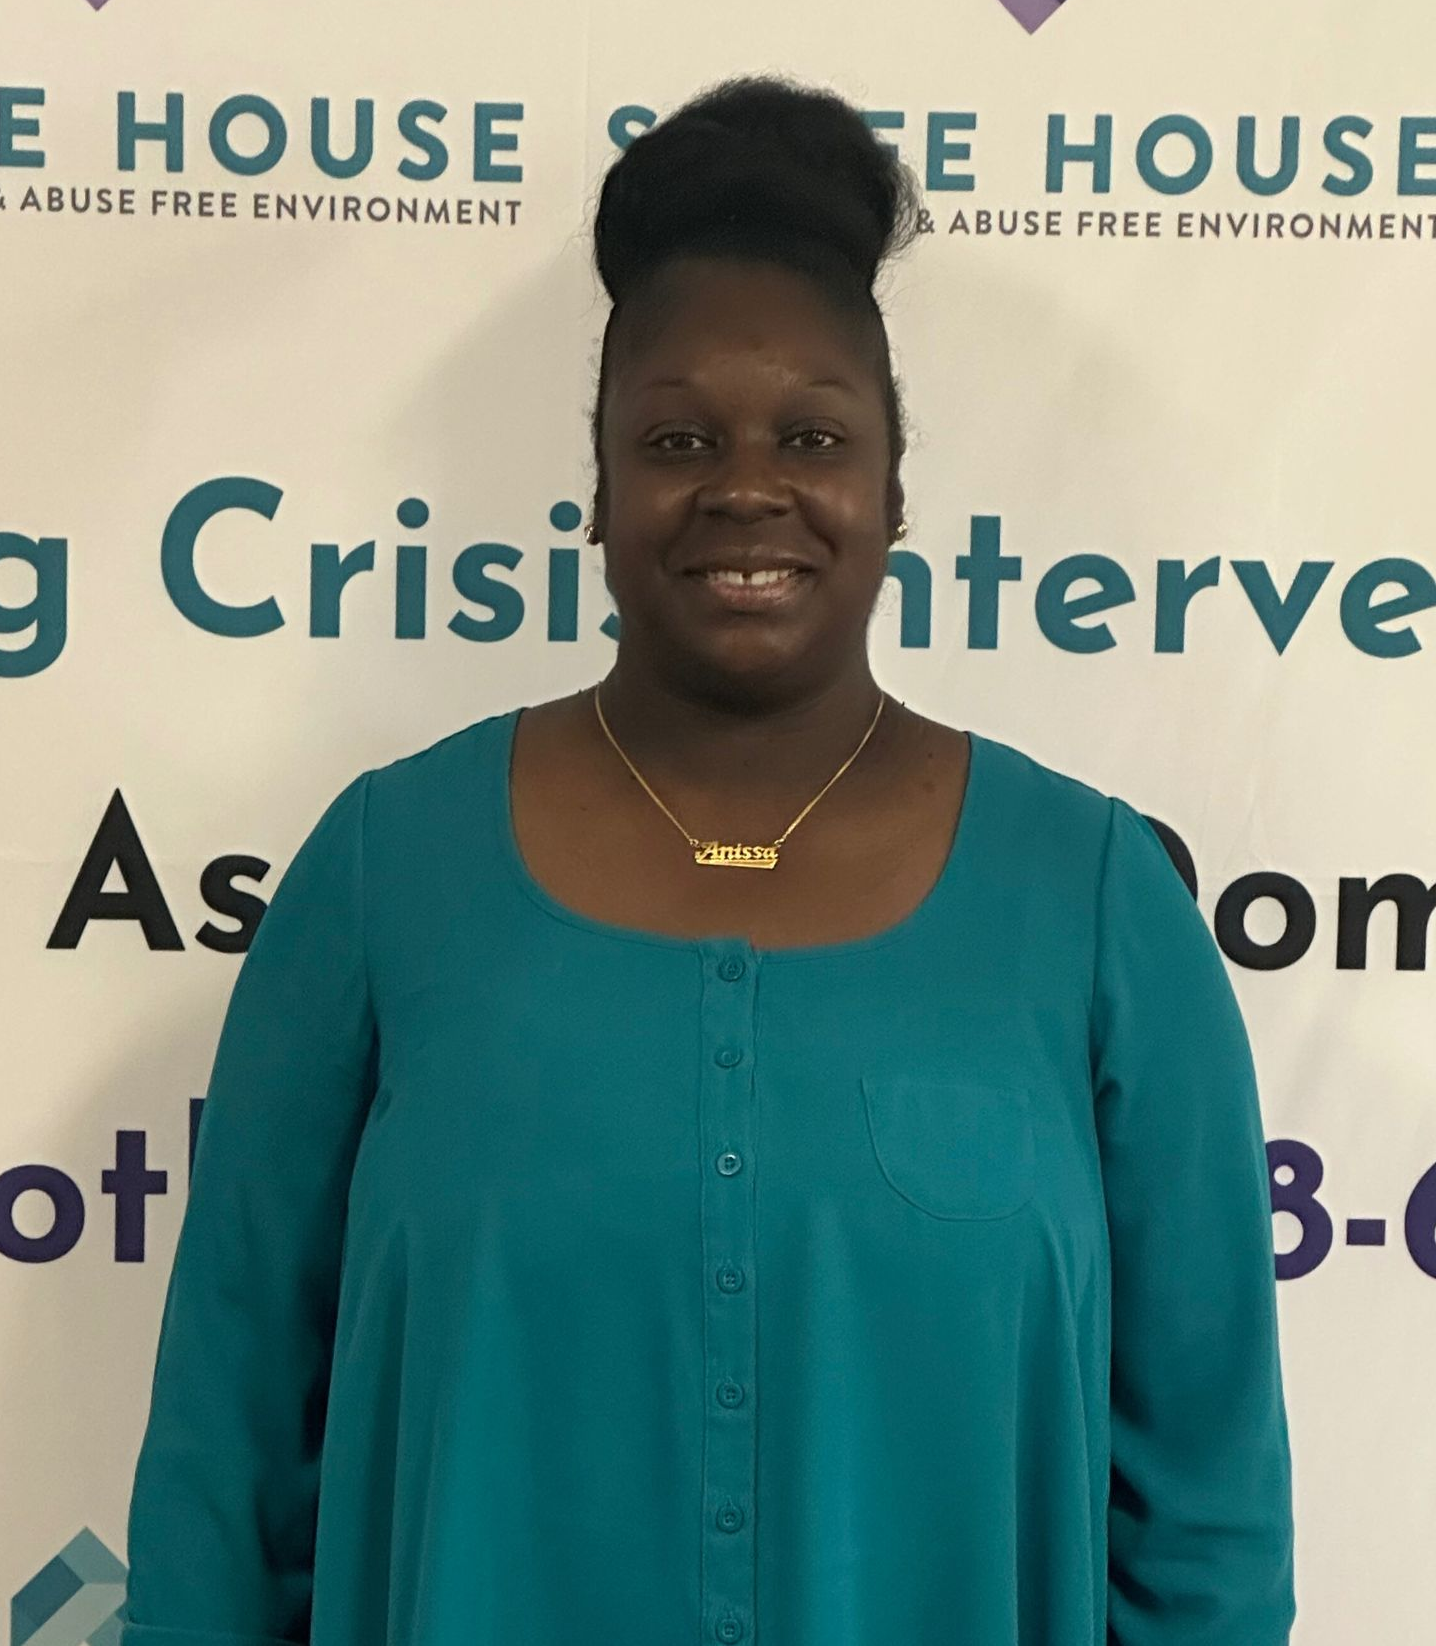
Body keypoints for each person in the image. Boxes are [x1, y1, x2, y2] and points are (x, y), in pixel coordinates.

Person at [118, 73, 1295, 1646]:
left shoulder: (1094, 907)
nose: (748, 486)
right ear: (596, 494)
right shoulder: (386, 874)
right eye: (677, 436)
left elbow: (1208, 1517)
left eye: (812, 432)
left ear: (894, 487)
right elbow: (228, 1456)